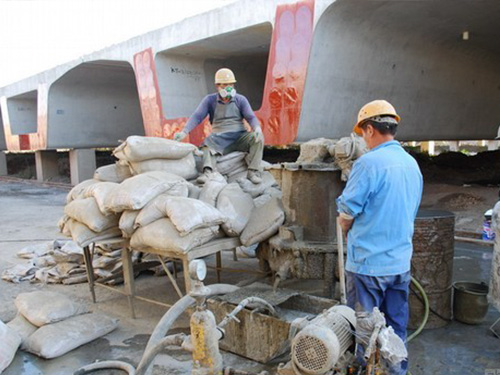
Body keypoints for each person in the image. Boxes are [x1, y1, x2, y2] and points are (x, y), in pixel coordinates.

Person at [336, 100, 423, 375]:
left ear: (370, 129)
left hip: (368, 266)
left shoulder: (368, 164)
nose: (363, 140)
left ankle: (364, 370)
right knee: (395, 328)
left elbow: (347, 212)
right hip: (399, 264)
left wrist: (345, 225)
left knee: (364, 332)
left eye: (363, 134)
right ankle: (397, 371)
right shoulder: (412, 165)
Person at [174, 68, 264, 184]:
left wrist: (257, 128)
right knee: (207, 144)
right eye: (225, 85)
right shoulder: (210, 100)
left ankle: (253, 172)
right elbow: (197, 116)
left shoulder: (240, 100)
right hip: (219, 139)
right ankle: (208, 172)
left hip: (240, 137)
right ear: (218, 86)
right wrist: (184, 132)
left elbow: (251, 117)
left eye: (231, 84)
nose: (228, 88)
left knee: (257, 139)